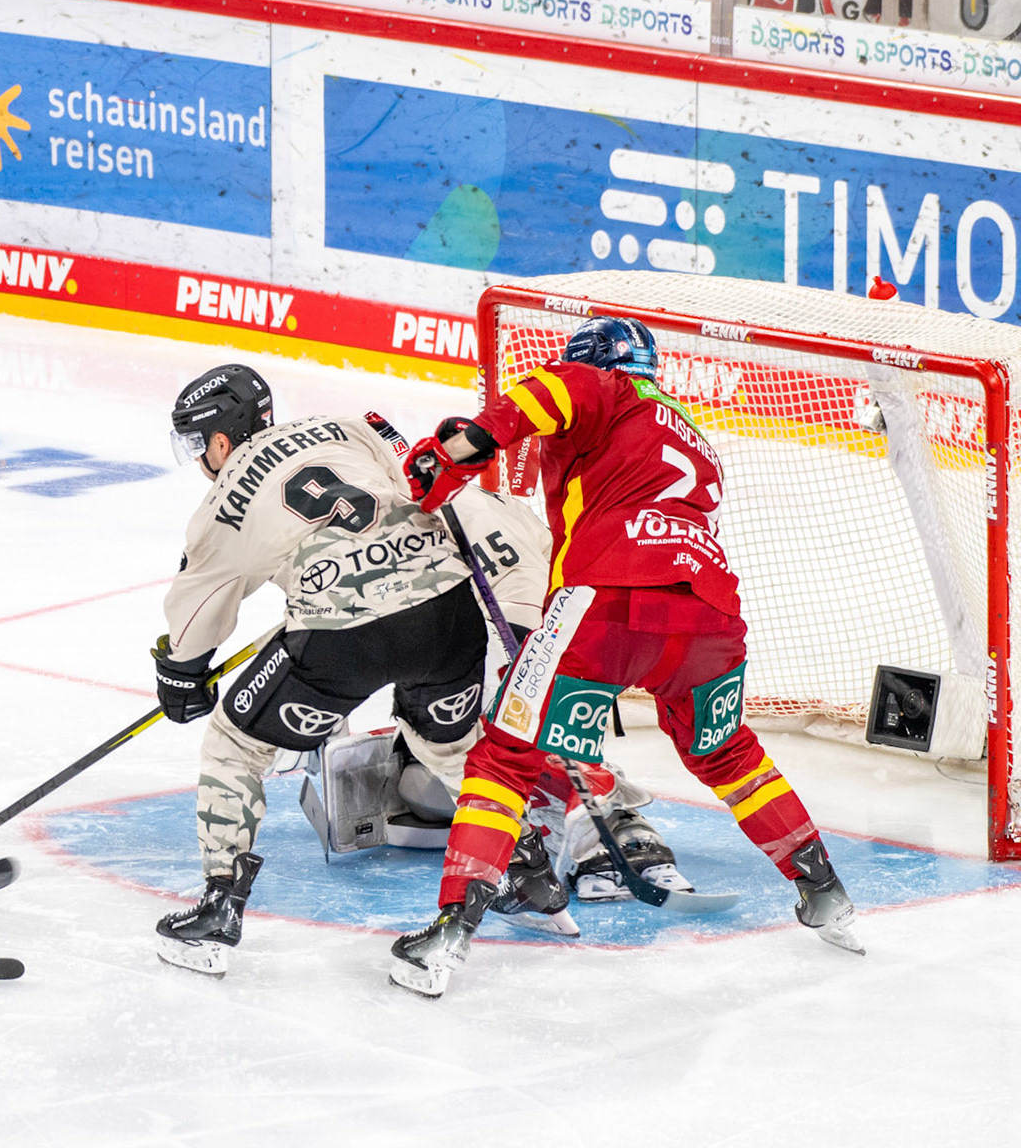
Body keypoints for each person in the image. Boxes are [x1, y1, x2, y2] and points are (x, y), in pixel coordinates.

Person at [392, 316, 863, 998]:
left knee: (505, 757)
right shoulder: (692, 434)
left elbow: (527, 405)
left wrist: (450, 452)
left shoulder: (599, 386)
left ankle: (449, 931)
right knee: (727, 753)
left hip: (606, 607)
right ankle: (824, 890)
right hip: (707, 617)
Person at [149, 365, 565, 975]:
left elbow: (200, 601)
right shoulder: (347, 427)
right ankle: (526, 869)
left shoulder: (226, 495)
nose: (199, 459)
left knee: (235, 745)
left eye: (197, 443)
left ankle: (218, 910)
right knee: (452, 746)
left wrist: (181, 672)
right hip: (447, 612)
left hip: (342, 634)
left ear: (219, 438)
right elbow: (424, 486)